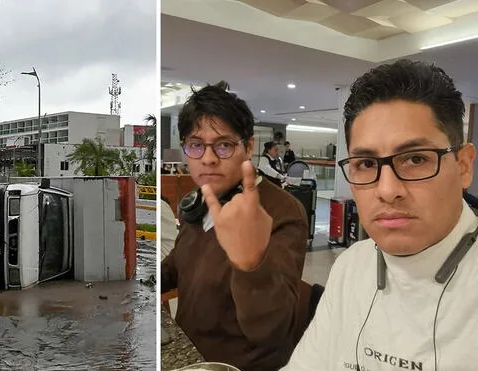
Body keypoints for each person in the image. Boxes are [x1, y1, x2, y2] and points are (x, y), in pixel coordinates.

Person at [283, 59, 478, 370]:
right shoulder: (352, 265)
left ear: (464, 166)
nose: (387, 190)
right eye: (367, 164)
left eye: (415, 158)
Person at [161, 81, 311, 371]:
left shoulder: (282, 212)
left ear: (249, 146)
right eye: (195, 145)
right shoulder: (202, 199)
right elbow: (179, 265)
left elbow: (272, 329)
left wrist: (250, 264)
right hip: (190, 356)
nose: (208, 158)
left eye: (224, 145)